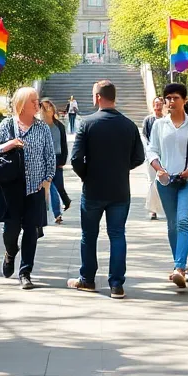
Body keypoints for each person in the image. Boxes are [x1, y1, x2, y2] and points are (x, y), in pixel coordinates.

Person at [67, 80, 146, 298]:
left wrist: (87, 174)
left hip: (93, 189)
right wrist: (121, 168)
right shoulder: (129, 125)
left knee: (89, 235)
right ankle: (117, 284)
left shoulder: (87, 123)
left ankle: (88, 279)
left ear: (98, 97)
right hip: (120, 189)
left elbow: (75, 158)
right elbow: (139, 157)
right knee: (117, 235)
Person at [0, 87, 56, 289]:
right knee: (10, 231)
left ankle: (25, 272)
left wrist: (47, 181)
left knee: (31, 232)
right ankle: (10, 253)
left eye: (37, 101)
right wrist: (8, 145)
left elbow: (50, 156)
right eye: (34, 101)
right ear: (22, 104)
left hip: (34, 190)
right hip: (10, 189)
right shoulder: (7, 125)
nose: (38, 104)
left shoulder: (42, 128)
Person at [147, 82, 188, 288]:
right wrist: (158, 167)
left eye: (175, 98)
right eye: (168, 98)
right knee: (172, 224)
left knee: (183, 221)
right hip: (165, 181)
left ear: (185, 100)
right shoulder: (159, 125)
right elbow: (152, 150)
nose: (171, 102)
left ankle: (180, 267)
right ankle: (177, 265)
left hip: (187, 181)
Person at [40, 98, 72, 223]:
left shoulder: (59, 126)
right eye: (44, 107)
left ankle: (65, 203)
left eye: (49, 106)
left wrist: (63, 160)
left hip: (57, 158)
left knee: (58, 186)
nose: (48, 109)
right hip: (43, 160)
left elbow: (64, 144)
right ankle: (57, 214)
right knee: (51, 187)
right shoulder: (39, 126)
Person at [142, 97, 165, 220]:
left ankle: (165, 206)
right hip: (152, 156)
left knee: (164, 181)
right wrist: (149, 151)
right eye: (156, 103)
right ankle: (153, 210)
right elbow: (145, 136)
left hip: (164, 155)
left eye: (160, 104)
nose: (158, 106)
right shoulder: (148, 120)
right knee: (152, 182)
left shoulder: (166, 120)